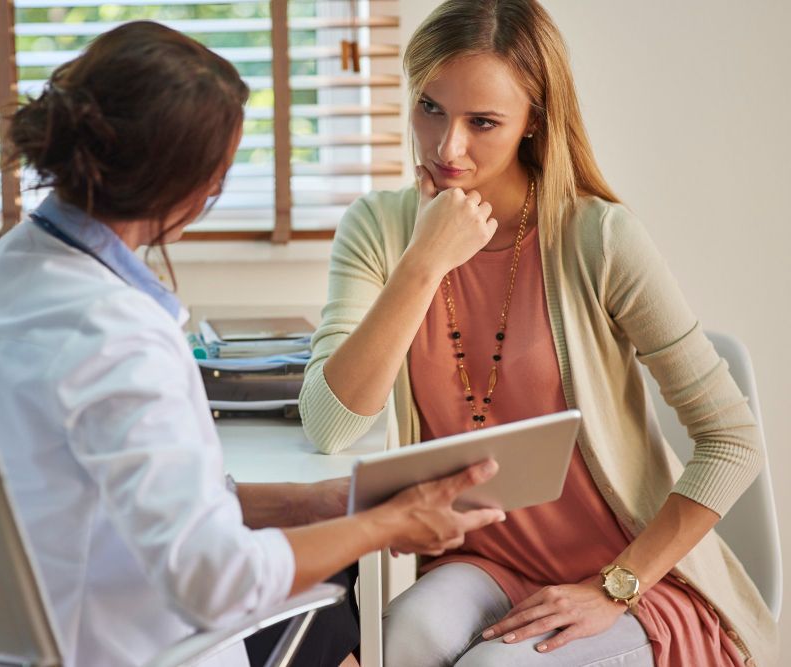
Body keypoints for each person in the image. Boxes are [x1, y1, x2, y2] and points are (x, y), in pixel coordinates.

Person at [0, 21, 507, 667]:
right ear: (191, 187)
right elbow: (216, 578)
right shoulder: (120, 336)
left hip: (25, 626)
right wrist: (387, 525)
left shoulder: (0, 273)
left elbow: (117, 490)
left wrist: (306, 500)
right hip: (119, 643)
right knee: (337, 605)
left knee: (331, 588)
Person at [297, 1, 778, 666]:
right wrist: (424, 260)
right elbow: (329, 423)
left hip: (630, 575)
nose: (446, 146)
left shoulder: (598, 238)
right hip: (485, 564)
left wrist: (618, 584)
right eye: (430, 107)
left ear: (534, 121)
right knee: (397, 639)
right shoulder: (378, 230)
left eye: (482, 122)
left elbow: (733, 439)